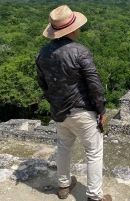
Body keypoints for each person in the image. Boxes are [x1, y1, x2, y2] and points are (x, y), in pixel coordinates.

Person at [35, 5, 112, 201]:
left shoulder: (42, 53)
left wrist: (54, 103)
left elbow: (43, 84)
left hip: (59, 111)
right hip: (82, 110)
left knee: (63, 147)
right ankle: (94, 196)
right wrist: (101, 109)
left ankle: (63, 185)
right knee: (94, 152)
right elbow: (94, 84)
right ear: (73, 29)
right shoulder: (80, 52)